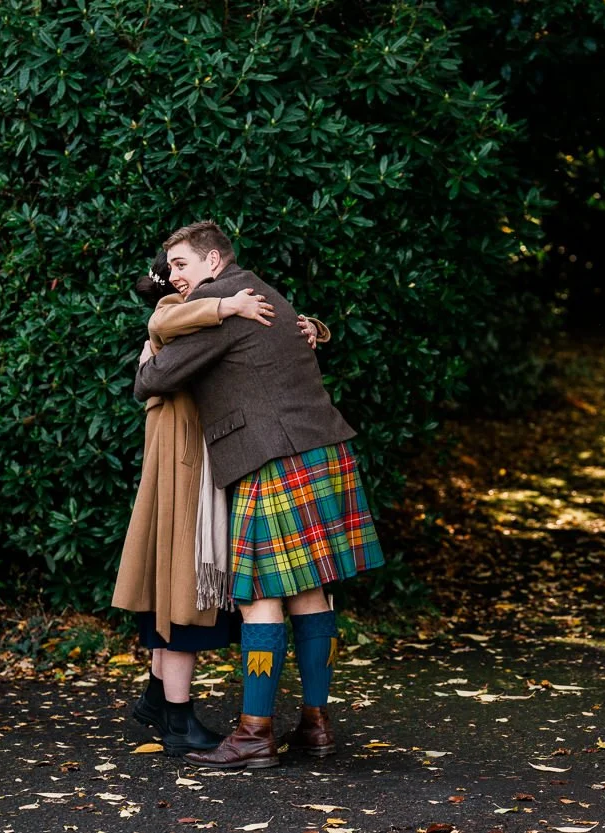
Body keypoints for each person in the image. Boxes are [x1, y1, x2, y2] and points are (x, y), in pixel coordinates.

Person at [134, 221, 384, 770]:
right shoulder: (260, 290)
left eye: (181, 264)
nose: (173, 275)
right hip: (322, 449)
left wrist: (152, 354)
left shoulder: (221, 301)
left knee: (257, 595)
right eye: (170, 267)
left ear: (214, 262)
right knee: (308, 592)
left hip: (272, 456)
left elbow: (151, 381)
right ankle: (315, 725)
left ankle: (254, 733)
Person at [113, 249, 276, 756]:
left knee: (172, 581)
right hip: (186, 463)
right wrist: (226, 308)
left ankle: (157, 699)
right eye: (176, 273)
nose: (184, 281)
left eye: (187, 269)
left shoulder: (182, 322)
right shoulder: (173, 314)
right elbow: (167, 319)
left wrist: (309, 325)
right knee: (184, 587)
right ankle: (178, 721)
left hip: (183, 458)